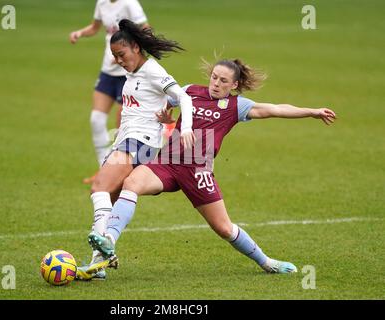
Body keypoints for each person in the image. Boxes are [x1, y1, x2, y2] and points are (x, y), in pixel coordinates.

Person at [86, 58, 337, 276]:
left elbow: (275, 109)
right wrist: (166, 117)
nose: (216, 84)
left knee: (224, 228)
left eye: (223, 81)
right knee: (131, 183)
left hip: (198, 173)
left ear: (234, 85)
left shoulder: (237, 106)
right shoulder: (190, 92)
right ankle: (109, 241)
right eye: (214, 78)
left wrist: (311, 112)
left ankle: (266, 262)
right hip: (167, 164)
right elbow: (164, 102)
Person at [74, 19, 196, 280]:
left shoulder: (152, 70)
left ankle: (101, 249)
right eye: (114, 56)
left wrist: (185, 129)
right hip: (129, 142)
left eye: (122, 54)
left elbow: (183, 97)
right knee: (112, 199)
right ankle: (98, 266)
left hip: (140, 142)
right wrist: (166, 114)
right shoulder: (132, 73)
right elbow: (167, 101)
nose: (118, 60)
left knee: (99, 188)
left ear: (137, 48)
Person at [69, 0, 149, 184]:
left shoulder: (130, 3)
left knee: (121, 128)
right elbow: (95, 28)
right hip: (107, 73)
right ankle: (102, 169)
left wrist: (125, 54)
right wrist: (79, 33)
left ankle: (121, 171)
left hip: (127, 74)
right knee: (96, 120)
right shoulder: (102, 3)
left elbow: (146, 29)